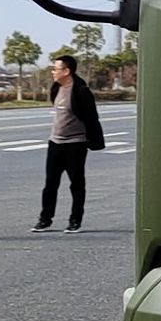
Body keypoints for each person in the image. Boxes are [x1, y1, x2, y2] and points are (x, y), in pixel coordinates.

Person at [35, 53, 105, 232]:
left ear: (67, 71)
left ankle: (75, 220)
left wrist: (93, 139)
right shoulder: (56, 88)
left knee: (76, 183)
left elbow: (91, 118)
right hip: (55, 142)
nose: (52, 72)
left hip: (75, 143)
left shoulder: (81, 91)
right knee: (50, 183)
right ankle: (45, 219)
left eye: (56, 69)